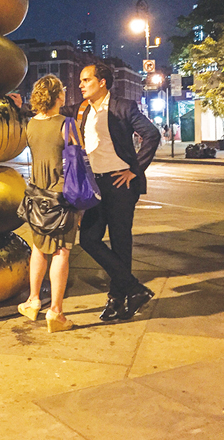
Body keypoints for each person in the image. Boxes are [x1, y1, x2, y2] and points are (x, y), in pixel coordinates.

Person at [62, 63, 160, 322]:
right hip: (94, 186)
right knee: (89, 240)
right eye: (81, 80)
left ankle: (117, 299)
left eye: (86, 80)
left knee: (120, 241)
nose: (81, 84)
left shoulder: (123, 107)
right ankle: (134, 289)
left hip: (120, 184)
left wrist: (134, 170)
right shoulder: (80, 110)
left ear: (102, 82)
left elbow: (151, 134)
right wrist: (20, 105)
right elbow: (50, 112)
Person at [18, 75, 79, 333]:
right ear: (59, 96)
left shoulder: (31, 124)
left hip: (37, 194)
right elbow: (79, 159)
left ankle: (33, 301)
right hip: (61, 194)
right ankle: (56, 312)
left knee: (39, 247)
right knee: (61, 251)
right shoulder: (67, 124)